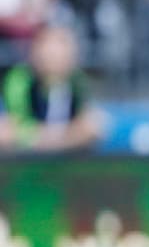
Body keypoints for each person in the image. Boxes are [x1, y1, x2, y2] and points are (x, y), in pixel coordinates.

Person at [2, 24, 102, 152]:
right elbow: (18, 123)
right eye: (50, 52)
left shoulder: (76, 81)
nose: (54, 58)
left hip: (61, 141)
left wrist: (57, 137)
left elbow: (85, 120)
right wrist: (58, 137)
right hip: (31, 146)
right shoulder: (20, 79)